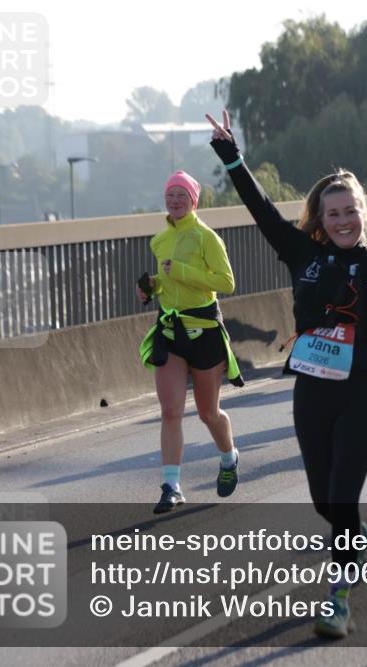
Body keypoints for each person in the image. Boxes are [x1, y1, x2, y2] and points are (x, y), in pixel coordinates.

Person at [207, 111, 367, 637]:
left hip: (365, 388)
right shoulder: (302, 253)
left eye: (350, 211)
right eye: (331, 213)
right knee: (323, 501)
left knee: (343, 497)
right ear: (319, 217)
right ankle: (359, 535)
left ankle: (338, 598)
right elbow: (262, 212)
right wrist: (232, 156)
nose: (341, 220)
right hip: (311, 388)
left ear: (363, 214)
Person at [138, 170, 244, 514]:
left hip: (205, 332)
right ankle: (171, 485)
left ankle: (229, 457)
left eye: (182, 195)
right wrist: (151, 287)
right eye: (171, 195)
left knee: (208, 413)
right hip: (171, 331)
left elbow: (226, 282)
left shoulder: (206, 237)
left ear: (193, 200)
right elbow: (167, 283)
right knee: (170, 411)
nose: (175, 200)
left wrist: (180, 272)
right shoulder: (158, 240)